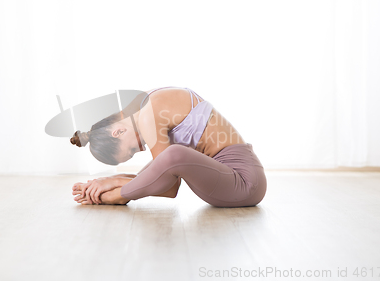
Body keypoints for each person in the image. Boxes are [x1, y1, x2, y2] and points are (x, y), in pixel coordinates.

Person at [71, 86, 266, 207]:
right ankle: (112, 187)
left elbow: (169, 188)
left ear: (118, 132)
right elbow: (159, 178)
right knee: (165, 161)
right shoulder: (143, 101)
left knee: (172, 156)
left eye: (130, 150)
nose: (141, 150)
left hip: (243, 183)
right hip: (229, 181)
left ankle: (116, 196)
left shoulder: (148, 115)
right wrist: (112, 179)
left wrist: (116, 189)